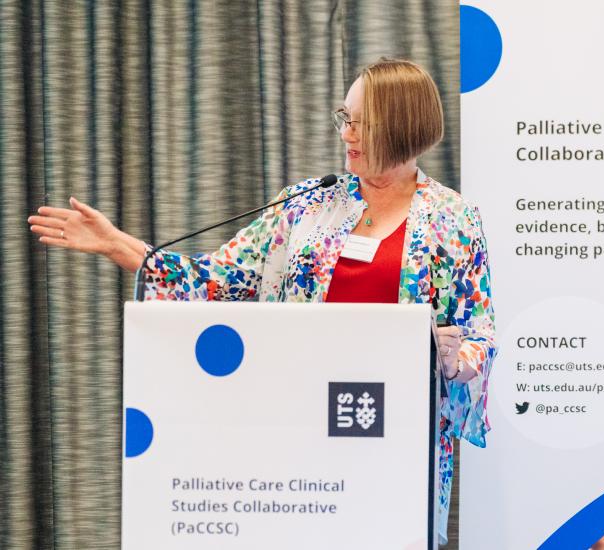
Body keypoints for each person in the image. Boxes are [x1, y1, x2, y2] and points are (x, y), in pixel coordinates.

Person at [28, 58, 496, 545]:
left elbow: (478, 334)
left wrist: (452, 359)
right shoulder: (306, 205)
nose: (346, 134)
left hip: (396, 438)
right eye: (345, 117)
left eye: (361, 123)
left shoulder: (453, 220)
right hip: (298, 426)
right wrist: (120, 245)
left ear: (402, 128)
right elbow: (220, 279)